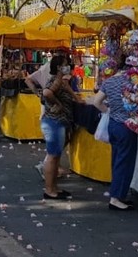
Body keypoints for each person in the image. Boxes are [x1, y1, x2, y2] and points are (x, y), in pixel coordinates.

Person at [91, 48, 138, 211]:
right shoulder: (131, 82)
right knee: (124, 162)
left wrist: (109, 111)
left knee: (116, 159)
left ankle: (118, 194)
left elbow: (96, 102)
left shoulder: (109, 82)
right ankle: (116, 197)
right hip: (127, 125)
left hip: (113, 124)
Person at [39, 66, 76, 200]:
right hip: (54, 121)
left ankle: (54, 187)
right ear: (60, 67)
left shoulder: (60, 81)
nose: (69, 68)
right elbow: (47, 93)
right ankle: (49, 190)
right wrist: (58, 104)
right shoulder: (54, 80)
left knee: (56, 157)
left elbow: (69, 93)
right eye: (66, 64)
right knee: (52, 156)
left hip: (58, 121)